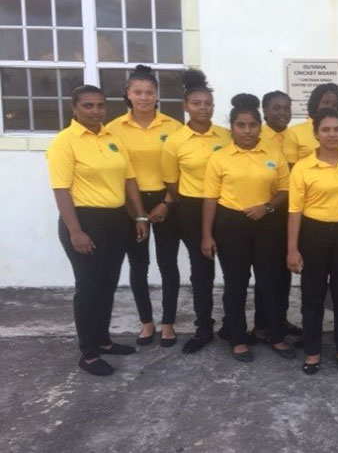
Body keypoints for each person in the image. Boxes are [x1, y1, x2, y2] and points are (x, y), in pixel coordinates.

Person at [47, 85, 149, 376]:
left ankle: (103, 340)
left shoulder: (112, 136)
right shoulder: (65, 142)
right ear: (74, 108)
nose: (95, 111)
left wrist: (139, 217)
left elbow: (129, 180)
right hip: (84, 220)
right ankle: (88, 353)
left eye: (100, 106)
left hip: (117, 220)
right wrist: (75, 231)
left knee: (108, 283)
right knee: (89, 287)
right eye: (88, 106)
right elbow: (61, 189)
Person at [201, 94, 295, 363]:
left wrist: (266, 207)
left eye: (252, 125)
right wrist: (207, 235)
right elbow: (210, 199)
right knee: (236, 284)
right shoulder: (219, 158)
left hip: (267, 224)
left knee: (270, 283)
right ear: (231, 127)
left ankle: (274, 335)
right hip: (231, 225)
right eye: (240, 125)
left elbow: (285, 190)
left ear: (259, 126)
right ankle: (238, 338)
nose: (247, 130)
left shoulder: (273, 154)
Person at [106, 64, 181, 347]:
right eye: (137, 92)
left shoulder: (174, 127)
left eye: (149, 92)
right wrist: (137, 213)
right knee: (139, 264)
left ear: (157, 95)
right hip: (131, 204)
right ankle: (146, 321)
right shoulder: (113, 129)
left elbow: (180, 172)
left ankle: (168, 323)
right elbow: (117, 173)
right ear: (128, 94)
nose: (144, 97)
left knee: (167, 263)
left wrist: (167, 203)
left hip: (166, 201)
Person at [161, 69, 232, 354]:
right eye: (197, 103)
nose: (203, 108)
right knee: (201, 270)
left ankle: (231, 324)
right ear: (185, 106)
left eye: (208, 103)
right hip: (191, 209)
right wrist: (193, 201)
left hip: (227, 208)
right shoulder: (175, 141)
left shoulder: (227, 136)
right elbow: (171, 180)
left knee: (232, 269)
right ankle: (204, 327)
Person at [287, 108, 338, 375]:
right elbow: (294, 209)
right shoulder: (303, 167)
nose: (332, 135)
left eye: (337, 129)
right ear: (316, 133)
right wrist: (292, 248)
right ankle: (313, 351)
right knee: (313, 295)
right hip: (313, 233)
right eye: (326, 130)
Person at [250, 90, 302, 343]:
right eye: (276, 108)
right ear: (265, 110)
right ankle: (262, 324)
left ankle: (279, 318)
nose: (282, 113)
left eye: (286, 108)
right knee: (266, 271)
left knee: (284, 271)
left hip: (293, 209)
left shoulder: (294, 136)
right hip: (269, 209)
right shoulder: (258, 137)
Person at [282, 83, 338, 165]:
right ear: (315, 104)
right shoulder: (294, 132)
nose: (329, 107)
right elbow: (290, 167)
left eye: (334, 105)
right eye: (325, 102)